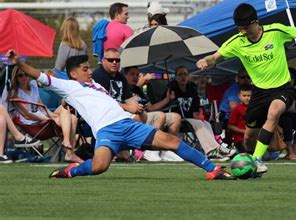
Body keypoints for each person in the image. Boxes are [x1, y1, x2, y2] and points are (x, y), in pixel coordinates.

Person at [7, 50, 235, 180]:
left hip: (128, 124)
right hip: (107, 131)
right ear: (74, 73)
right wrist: (19, 63)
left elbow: (110, 102)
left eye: (89, 67)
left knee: (172, 141)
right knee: (99, 167)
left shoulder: (96, 85)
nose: (89, 71)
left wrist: (130, 107)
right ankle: (71, 171)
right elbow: (39, 75)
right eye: (85, 68)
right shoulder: (67, 86)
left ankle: (212, 169)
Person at [196, 3, 296, 176]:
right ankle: (250, 158)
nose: (244, 32)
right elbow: (215, 56)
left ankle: (257, 160)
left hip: (283, 88)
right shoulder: (237, 42)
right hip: (258, 92)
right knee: (250, 137)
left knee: (274, 112)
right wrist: (205, 60)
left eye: (246, 27)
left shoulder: (275, 32)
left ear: (256, 22)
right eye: (240, 29)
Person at [10, 67, 83, 163]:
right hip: (35, 124)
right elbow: (27, 115)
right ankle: (69, 150)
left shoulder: (33, 86)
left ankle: (68, 146)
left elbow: (41, 106)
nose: (24, 77)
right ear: (15, 78)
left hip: (45, 118)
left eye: (26, 74)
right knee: (72, 119)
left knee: (68, 109)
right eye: (20, 75)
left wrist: (52, 115)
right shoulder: (15, 93)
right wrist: (47, 118)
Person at [164, 66, 235, 159]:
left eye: (185, 74)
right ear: (176, 77)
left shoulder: (192, 88)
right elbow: (165, 106)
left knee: (206, 123)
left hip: (189, 118)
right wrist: (170, 99)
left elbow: (195, 107)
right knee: (198, 123)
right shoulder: (171, 89)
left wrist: (197, 114)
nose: (183, 77)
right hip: (176, 118)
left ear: (189, 76)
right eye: (180, 74)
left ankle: (217, 148)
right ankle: (211, 151)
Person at [123, 66, 181, 136]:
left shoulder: (137, 90)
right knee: (160, 115)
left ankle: (168, 145)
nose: (135, 77)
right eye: (132, 74)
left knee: (176, 117)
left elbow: (150, 108)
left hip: (146, 116)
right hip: (131, 119)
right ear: (124, 75)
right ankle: (152, 143)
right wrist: (139, 85)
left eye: (137, 75)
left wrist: (167, 99)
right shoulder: (121, 88)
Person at [92, 48, 143, 116]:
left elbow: (129, 98)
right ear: (103, 60)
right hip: (107, 113)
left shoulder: (121, 77)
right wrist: (129, 108)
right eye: (110, 60)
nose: (114, 62)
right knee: (138, 118)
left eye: (117, 60)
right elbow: (106, 101)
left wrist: (136, 107)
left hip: (123, 112)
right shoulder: (97, 75)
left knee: (157, 115)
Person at [228, 84, 252, 153]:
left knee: (265, 157)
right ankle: (235, 152)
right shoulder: (236, 109)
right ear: (239, 96)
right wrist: (245, 132)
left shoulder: (254, 108)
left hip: (253, 138)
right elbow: (230, 126)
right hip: (240, 139)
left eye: (249, 96)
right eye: (244, 96)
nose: (247, 98)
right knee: (248, 153)